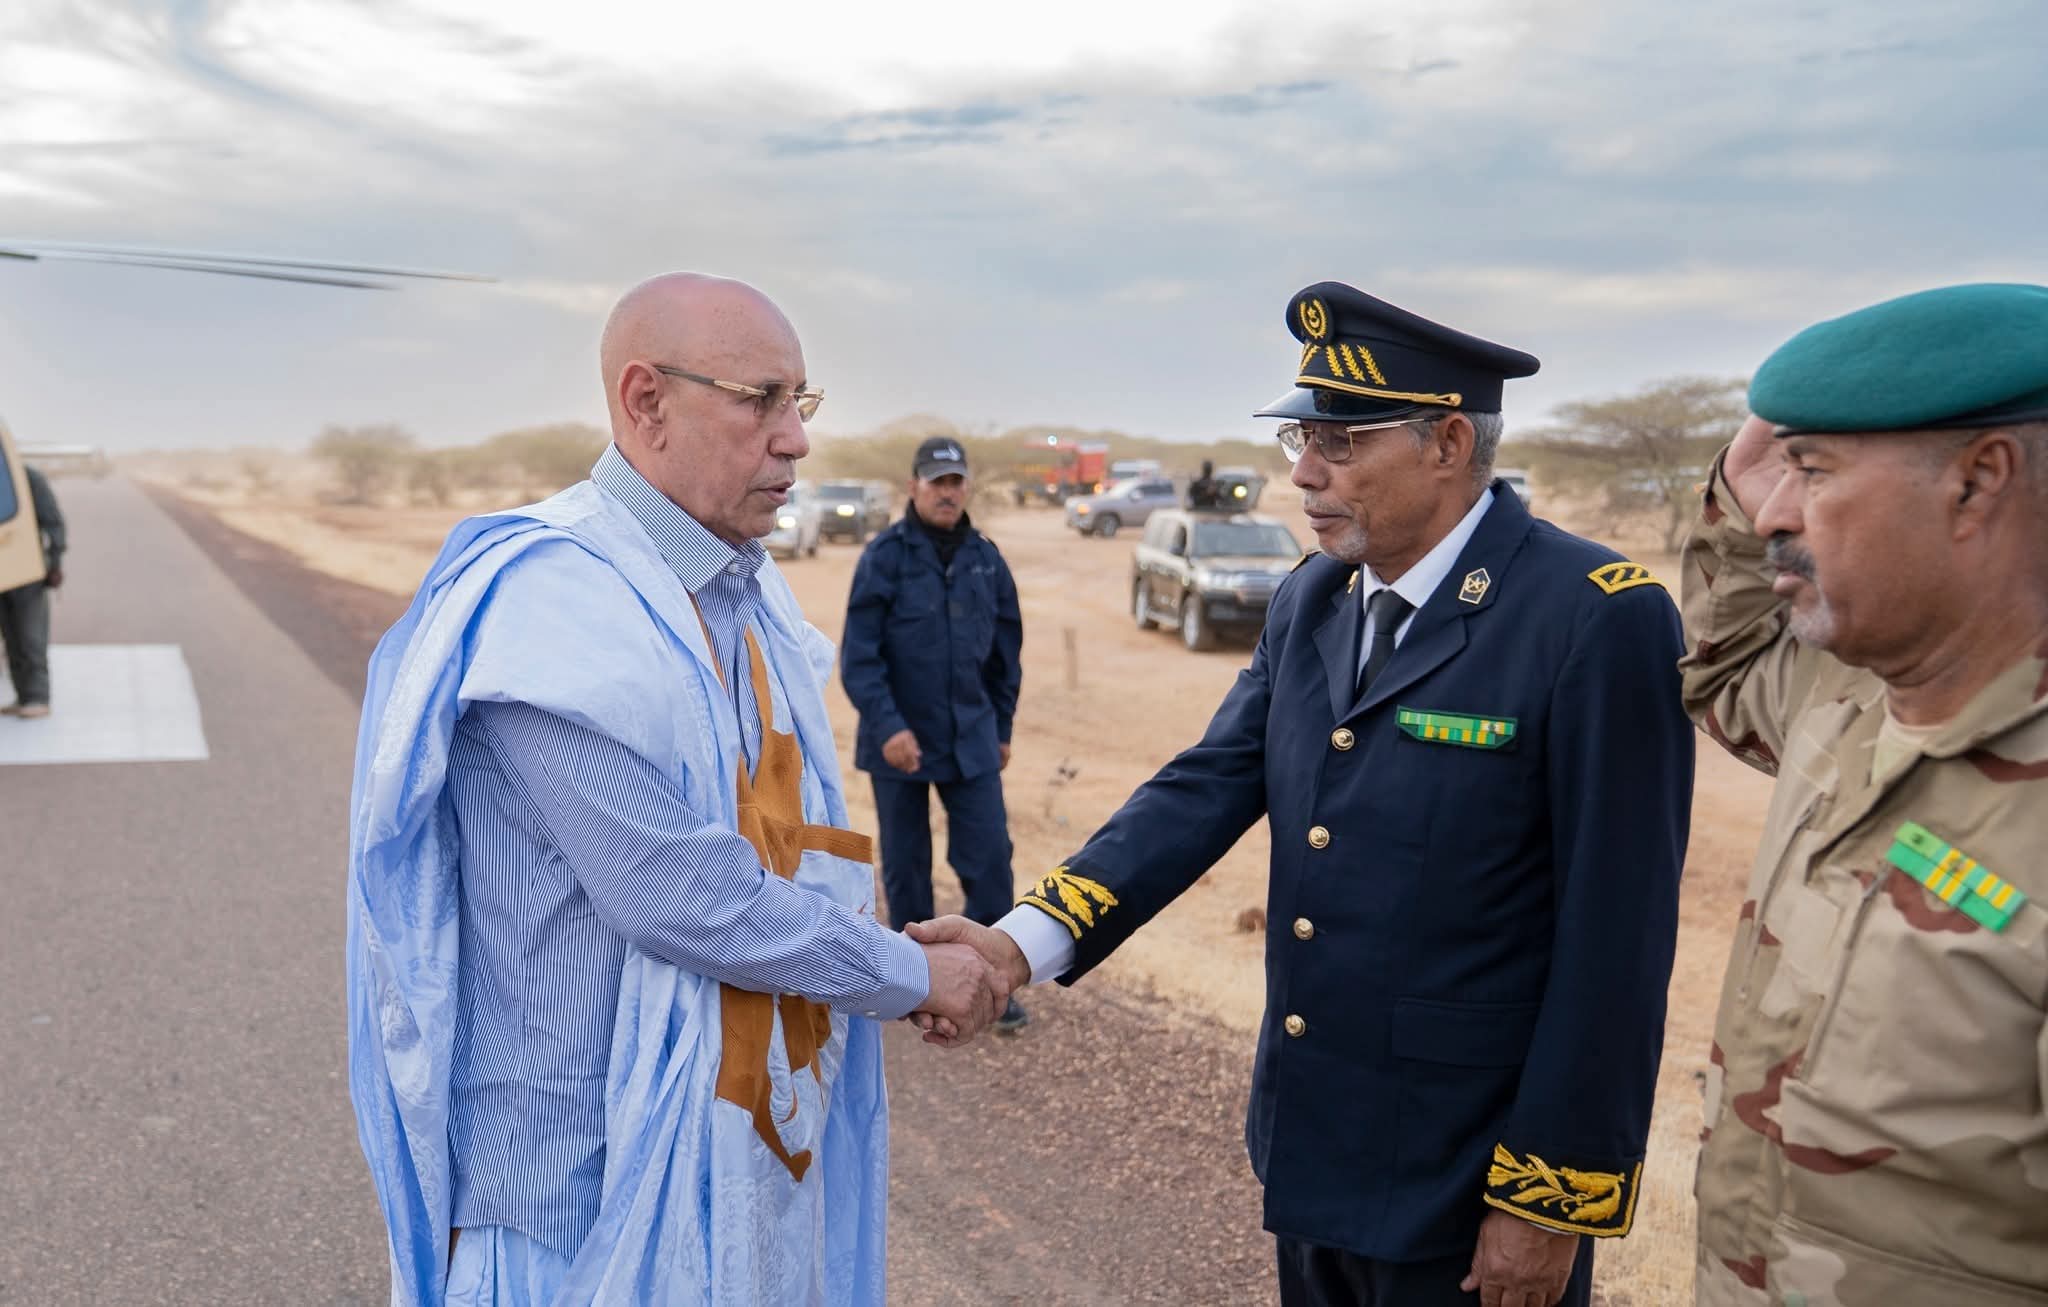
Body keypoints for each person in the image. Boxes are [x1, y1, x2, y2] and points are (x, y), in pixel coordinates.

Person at [915, 282, 1695, 1307]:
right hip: (1314, 1140)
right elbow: (1203, 788)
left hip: (1467, 1178)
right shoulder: (1313, 596)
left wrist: (1552, 1197)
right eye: (1299, 436)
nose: (1303, 472)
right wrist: (1019, 943)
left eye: (1340, 441)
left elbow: (1618, 936)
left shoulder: (1591, 617)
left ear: (1448, 442)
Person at [346, 273, 1011, 1306]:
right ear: (645, 399)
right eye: (760, 399)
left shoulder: (747, 600)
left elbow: (783, 852)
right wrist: (910, 970)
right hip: (569, 1203)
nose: (795, 438)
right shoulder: (552, 606)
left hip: (732, 1169)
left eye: (801, 400)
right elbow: (679, 890)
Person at [1679, 283, 2048, 1306]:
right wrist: (1735, 484)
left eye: (1813, 470)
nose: (1775, 512)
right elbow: (1720, 670)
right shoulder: (1849, 694)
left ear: (1976, 481)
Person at [841, 435, 1028, 1033]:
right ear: (913, 487)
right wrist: (888, 727)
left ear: (967, 487)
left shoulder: (986, 559)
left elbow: (1006, 655)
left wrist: (1001, 728)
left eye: (956, 482)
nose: (948, 493)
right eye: (937, 482)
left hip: (971, 737)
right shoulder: (883, 558)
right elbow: (860, 658)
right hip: (899, 742)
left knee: (990, 859)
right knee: (907, 866)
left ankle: (992, 983)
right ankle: (919, 982)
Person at [0, 463, 66, 719]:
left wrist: (54, 562)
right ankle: (24, 696)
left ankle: (38, 696)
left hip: (27, 568)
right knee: (11, 636)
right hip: (3, 572)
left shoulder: (27, 477)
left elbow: (53, 522)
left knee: (30, 635)